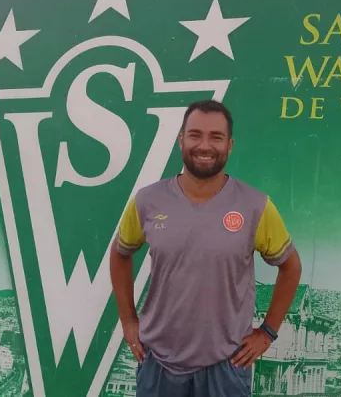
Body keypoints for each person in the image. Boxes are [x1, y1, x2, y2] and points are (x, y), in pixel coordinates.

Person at [109, 99, 303, 397]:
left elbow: (291, 267)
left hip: (226, 366)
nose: (205, 145)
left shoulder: (255, 206)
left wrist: (267, 333)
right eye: (195, 135)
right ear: (181, 140)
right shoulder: (147, 201)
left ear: (230, 145)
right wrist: (128, 320)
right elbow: (120, 254)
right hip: (158, 361)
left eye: (216, 137)